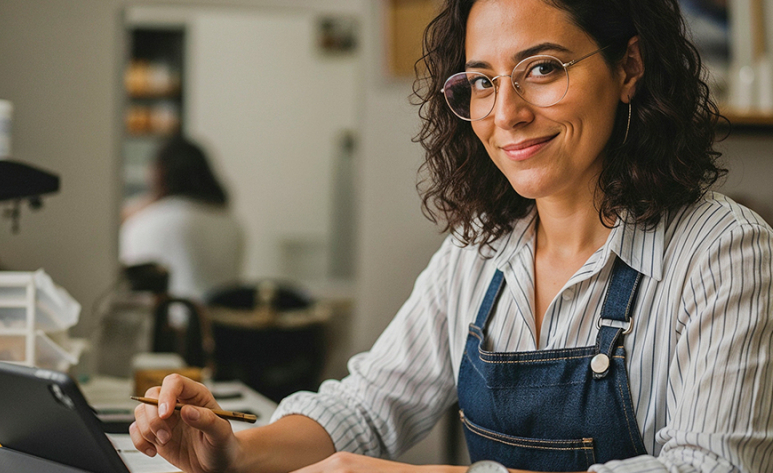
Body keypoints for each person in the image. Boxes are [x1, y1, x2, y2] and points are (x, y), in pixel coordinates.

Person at [130, 0, 773, 471]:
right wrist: (236, 450)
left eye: (542, 69)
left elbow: (711, 469)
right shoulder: (478, 251)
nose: (507, 113)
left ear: (629, 66)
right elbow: (371, 405)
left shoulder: (724, 251)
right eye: (484, 81)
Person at [120, 136, 243, 301]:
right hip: (223, 321)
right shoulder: (231, 223)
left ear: (160, 172)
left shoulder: (149, 223)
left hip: (173, 322)